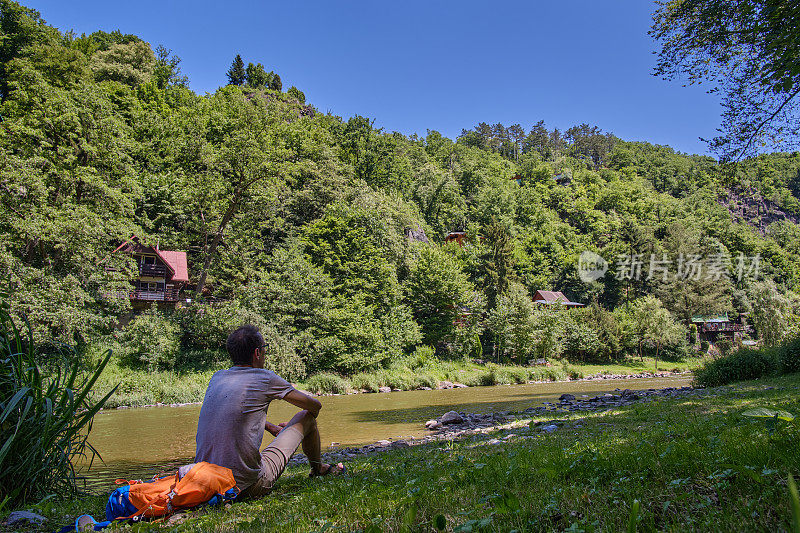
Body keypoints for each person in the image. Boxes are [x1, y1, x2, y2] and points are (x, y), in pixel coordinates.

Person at [194, 325, 344, 499]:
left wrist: (271, 427)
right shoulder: (265, 378)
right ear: (257, 353)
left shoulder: (217, 377)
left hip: (205, 483)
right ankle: (319, 469)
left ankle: (317, 467)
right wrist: (295, 429)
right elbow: (314, 406)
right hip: (246, 487)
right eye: (265, 349)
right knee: (306, 417)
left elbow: (232, 414)